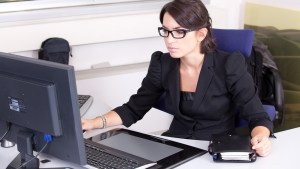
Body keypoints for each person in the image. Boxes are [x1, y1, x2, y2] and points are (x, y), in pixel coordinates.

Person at [82, 0, 273, 156]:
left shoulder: (229, 64)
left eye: (179, 32)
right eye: (165, 30)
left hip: (214, 150)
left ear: (201, 34)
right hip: (175, 145)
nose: (169, 39)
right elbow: (133, 109)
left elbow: (258, 117)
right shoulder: (163, 63)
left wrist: (261, 139)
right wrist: (92, 123)